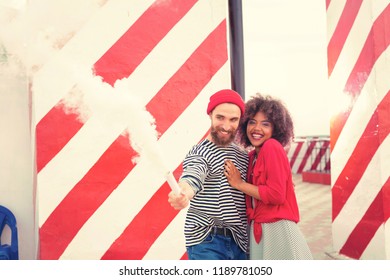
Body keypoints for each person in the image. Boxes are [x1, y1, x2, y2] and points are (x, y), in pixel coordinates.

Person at [224, 93, 313, 260]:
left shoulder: (272, 147)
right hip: (260, 230)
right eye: (252, 122)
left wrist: (239, 184)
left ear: (276, 128)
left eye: (265, 124)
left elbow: (276, 195)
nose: (257, 129)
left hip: (277, 229)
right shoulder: (252, 156)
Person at [168, 89, 249, 260]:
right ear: (210, 114)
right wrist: (183, 193)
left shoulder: (242, 155)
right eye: (220, 117)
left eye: (233, 120)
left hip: (241, 242)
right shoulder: (200, 153)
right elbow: (192, 177)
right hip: (208, 242)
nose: (226, 126)